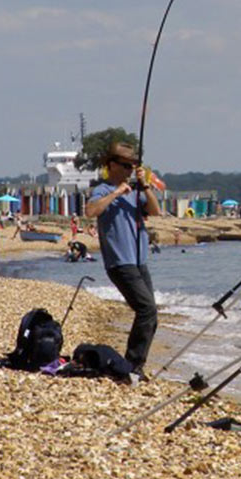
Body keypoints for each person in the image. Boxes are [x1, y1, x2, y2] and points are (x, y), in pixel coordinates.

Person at [85, 142, 161, 378]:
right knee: (146, 309)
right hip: (120, 262)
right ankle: (131, 366)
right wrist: (117, 193)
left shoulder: (136, 192)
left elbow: (155, 210)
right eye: (126, 165)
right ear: (111, 165)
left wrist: (145, 185)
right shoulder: (103, 190)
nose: (129, 170)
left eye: (133, 166)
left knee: (151, 314)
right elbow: (91, 211)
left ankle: (136, 365)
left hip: (139, 261)